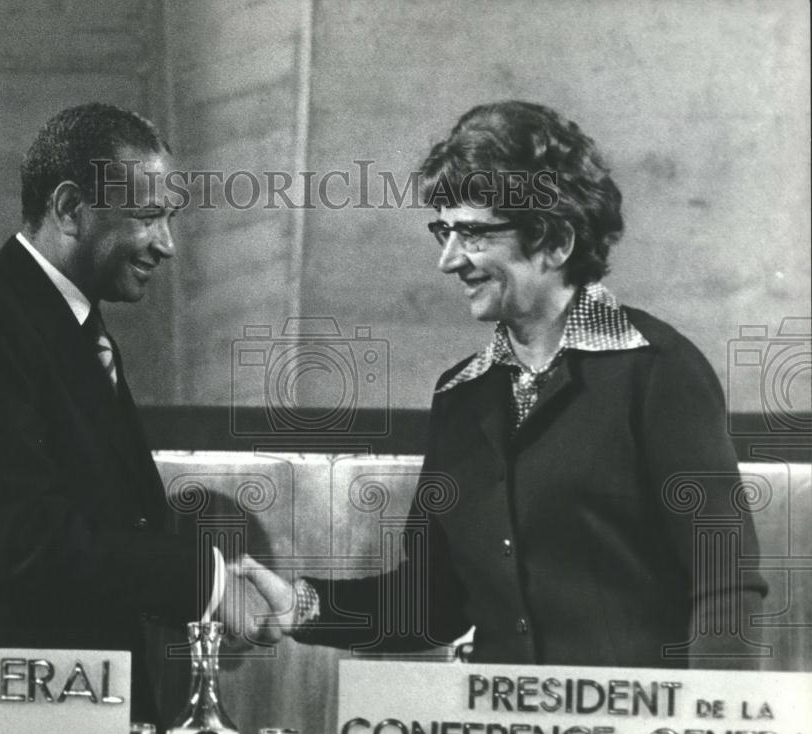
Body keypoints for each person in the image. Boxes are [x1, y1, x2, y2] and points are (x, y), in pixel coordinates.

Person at [243, 101, 767, 668]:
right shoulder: (460, 394)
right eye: (444, 231)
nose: (448, 260)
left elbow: (725, 589)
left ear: (555, 241)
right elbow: (433, 603)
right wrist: (302, 607)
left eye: (472, 234)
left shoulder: (659, 371)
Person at [0, 103, 277, 725]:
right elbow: (26, 543)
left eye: (169, 219)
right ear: (71, 209)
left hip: (64, 709)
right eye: (148, 217)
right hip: (1, 716)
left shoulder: (62, 325)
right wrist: (205, 582)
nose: (167, 245)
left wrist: (214, 583)